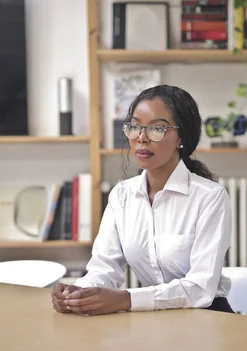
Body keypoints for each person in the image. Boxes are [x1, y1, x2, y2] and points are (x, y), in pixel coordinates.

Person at [51, 84, 234, 316]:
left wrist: (125, 299)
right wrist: (78, 294)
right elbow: (104, 268)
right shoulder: (122, 195)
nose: (142, 138)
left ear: (181, 137)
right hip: (152, 316)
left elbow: (200, 289)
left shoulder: (210, 197)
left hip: (209, 316)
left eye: (157, 128)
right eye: (135, 126)